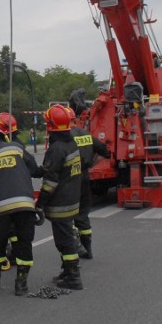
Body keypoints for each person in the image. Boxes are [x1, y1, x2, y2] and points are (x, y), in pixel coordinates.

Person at [0, 117, 41, 296]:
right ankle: (21, 283)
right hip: (25, 204)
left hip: (1, 209)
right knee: (24, 243)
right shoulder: (17, 148)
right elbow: (34, 169)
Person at [35, 105, 84, 290]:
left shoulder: (56, 149)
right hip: (71, 200)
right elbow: (60, 171)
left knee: (64, 242)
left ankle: (73, 278)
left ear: (50, 125)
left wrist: (40, 204)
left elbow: (51, 182)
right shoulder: (71, 143)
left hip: (61, 204)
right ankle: (67, 271)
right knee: (67, 238)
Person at [67, 106, 110, 259]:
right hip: (85, 177)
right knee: (83, 214)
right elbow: (104, 150)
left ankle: (74, 248)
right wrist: (92, 163)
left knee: (67, 214)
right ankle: (88, 249)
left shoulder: (64, 136)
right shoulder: (86, 134)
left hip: (70, 178)